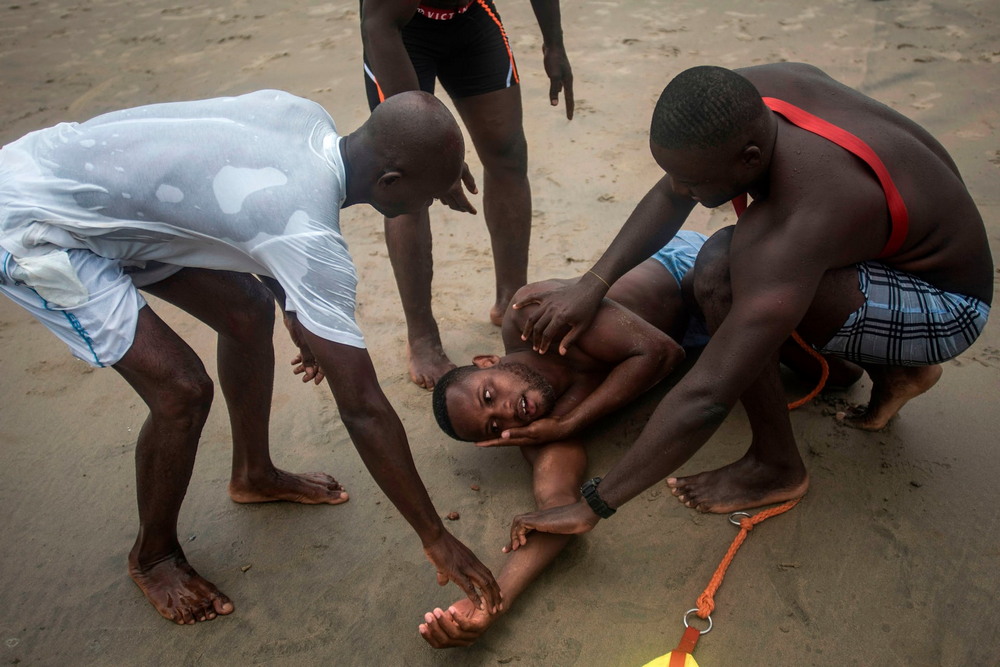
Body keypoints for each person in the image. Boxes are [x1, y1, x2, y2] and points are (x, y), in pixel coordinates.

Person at [0, 89, 501, 625]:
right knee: (181, 392)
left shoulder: (303, 115)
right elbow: (362, 407)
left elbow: (232, 193)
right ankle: (154, 556)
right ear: (390, 185)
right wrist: (436, 535)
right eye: (426, 197)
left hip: (78, 178)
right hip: (34, 224)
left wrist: (289, 295)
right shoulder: (309, 235)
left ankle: (252, 473)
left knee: (247, 311)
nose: (428, 205)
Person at [502, 62, 992, 547]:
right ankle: (892, 373)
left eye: (694, 183)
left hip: (946, 306)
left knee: (723, 273)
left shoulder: (803, 213)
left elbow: (710, 392)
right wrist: (592, 284)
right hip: (895, 253)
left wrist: (594, 504)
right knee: (733, 265)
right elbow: (673, 189)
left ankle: (776, 466)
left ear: (750, 158)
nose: (684, 190)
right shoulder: (743, 100)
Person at [418, 232, 703, 647]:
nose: (506, 413)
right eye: (494, 428)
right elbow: (557, 508)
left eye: (489, 395)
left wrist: (571, 424)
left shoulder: (534, 315)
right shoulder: (537, 431)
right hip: (704, 335)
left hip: (685, 267)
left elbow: (661, 353)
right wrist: (492, 601)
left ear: (487, 361)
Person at [360, 0, 574, 388]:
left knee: (508, 155)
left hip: (470, 16)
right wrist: (431, 147)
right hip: (397, 29)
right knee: (406, 178)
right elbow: (378, 22)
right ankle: (422, 336)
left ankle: (511, 300)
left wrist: (553, 43)